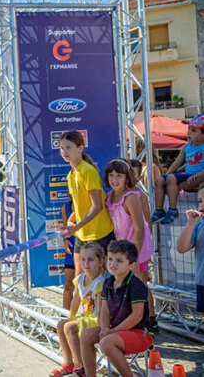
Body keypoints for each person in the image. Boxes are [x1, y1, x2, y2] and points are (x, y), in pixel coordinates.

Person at [79, 240, 153, 377]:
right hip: (115, 330)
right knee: (86, 335)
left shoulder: (136, 285)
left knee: (106, 342)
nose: (113, 264)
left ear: (131, 265)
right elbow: (104, 311)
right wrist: (104, 329)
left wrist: (112, 331)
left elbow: (136, 316)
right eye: (111, 259)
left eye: (119, 261)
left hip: (139, 333)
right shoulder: (108, 282)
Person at [103, 159, 157, 333]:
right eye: (111, 175)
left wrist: (136, 254)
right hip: (122, 248)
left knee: (140, 284)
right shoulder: (109, 197)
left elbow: (140, 227)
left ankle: (151, 320)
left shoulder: (131, 197)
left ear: (127, 177)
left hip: (137, 247)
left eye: (119, 175)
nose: (115, 179)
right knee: (126, 284)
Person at [59, 131, 115, 276]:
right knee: (79, 280)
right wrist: (71, 221)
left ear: (80, 148)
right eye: (62, 148)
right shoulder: (70, 175)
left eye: (68, 147)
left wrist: (76, 226)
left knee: (99, 281)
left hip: (99, 234)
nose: (64, 152)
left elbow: (97, 206)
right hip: (81, 235)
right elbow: (79, 205)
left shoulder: (88, 171)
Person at [50, 242, 105, 377]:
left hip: (98, 320)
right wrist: (70, 317)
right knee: (61, 325)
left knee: (69, 327)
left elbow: (102, 310)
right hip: (87, 317)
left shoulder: (100, 282)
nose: (86, 264)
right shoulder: (80, 279)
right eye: (83, 259)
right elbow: (76, 300)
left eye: (91, 260)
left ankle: (81, 367)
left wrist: (102, 327)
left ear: (100, 262)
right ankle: (68, 363)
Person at [154, 115, 204, 224]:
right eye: (189, 129)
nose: (189, 132)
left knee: (171, 179)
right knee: (160, 180)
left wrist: (198, 175)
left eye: (194, 130)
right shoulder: (186, 147)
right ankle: (159, 211)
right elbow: (176, 163)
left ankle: (173, 210)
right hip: (189, 175)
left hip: (199, 176)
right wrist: (165, 176)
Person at [175, 186, 204, 321]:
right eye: (200, 200)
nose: (202, 205)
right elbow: (181, 248)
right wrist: (190, 225)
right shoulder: (199, 223)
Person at [60, 201, 76, 310]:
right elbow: (65, 229)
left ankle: (89, 316)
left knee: (87, 285)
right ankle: (65, 315)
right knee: (68, 285)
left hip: (87, 249)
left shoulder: (87, 203)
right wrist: (65, 240)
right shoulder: (65, 207)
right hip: (72, 249)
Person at [126, 159, 152, 229]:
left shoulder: (139, 195)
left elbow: (147, 221)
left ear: (139, 178)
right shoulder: (115, 193)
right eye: (127, 173)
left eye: (132, 174)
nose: (129, 177)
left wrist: (148, 235)